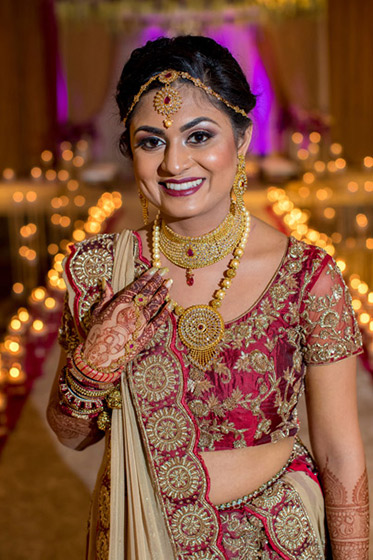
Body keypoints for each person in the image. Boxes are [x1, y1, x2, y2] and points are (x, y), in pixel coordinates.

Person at [47, 35, 369, 559]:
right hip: (138, 533)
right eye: (151, 141)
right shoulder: (102, 268)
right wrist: (90, 368)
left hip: (273, 539)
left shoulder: (309, 276)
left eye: (200, 136)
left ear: (241, 139)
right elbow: (70, 435)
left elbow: (340, 452)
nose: (175, 163)